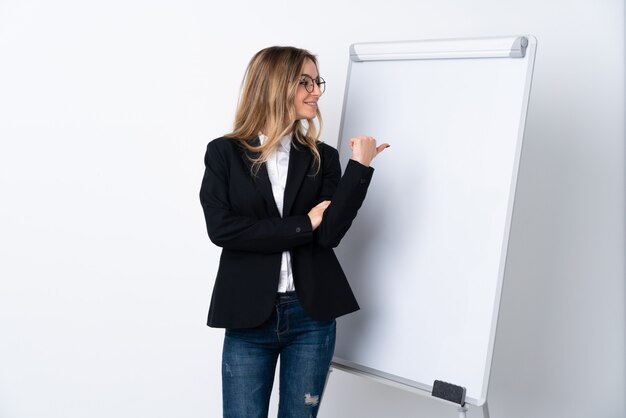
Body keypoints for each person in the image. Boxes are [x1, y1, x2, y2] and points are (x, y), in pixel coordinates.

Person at [199, 46, 389, 418]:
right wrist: (304, 223)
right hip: (248, 315)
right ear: (273, 85)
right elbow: (224, 230)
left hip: (310, 317)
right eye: (304, 81)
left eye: (317, 81)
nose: (316, 90)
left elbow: (329, 234)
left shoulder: (323, 157)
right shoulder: (223, 154)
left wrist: (360, 169)